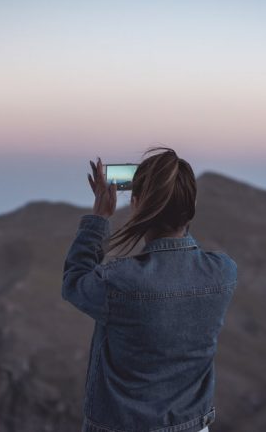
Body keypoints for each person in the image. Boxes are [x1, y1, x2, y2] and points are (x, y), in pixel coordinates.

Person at [62, 147, 238, 432]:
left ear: (136, 205)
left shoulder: (119, 281)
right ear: (190, 207)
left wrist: (99, 218)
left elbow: (74, 281)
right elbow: (179, 241)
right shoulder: (223, 272)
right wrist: (167, 202)